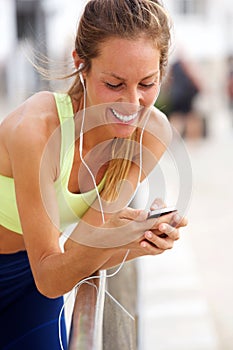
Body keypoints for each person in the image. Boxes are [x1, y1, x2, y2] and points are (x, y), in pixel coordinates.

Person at [0, 0, 188, 349]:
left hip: (30, 282)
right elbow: (52, 274)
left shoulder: (150, 133)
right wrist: (123, 236)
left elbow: (77, 251)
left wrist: (141, 240)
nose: (132, 104)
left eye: (147, 83)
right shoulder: (38, 129)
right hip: (40, 273)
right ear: (81, 66)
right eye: (114, 84)